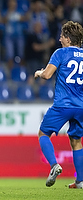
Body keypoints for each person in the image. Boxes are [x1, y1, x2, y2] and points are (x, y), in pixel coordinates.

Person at [34, 20, 83, 189]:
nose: (60, 39)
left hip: (63, 105)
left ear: (68, 38)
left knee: (43, 134)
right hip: (81, 106)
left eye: (62, 36)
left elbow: (47, 75)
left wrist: (39, 72)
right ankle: (80, 181)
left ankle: (54, 165)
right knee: (76, 140)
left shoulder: (60, 53)